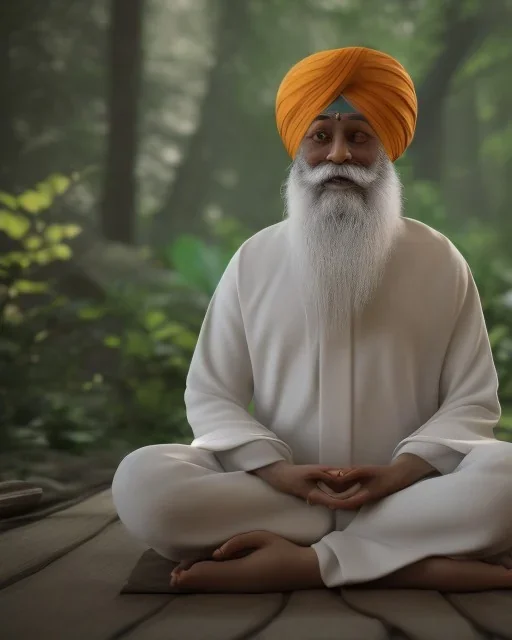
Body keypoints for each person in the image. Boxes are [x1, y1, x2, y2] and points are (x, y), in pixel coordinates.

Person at [112, 46, 512, 593]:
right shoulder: (254, 259)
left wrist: (399, 474)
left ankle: (304, 563)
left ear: (385, 150)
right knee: (143, 481)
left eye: (360, 137)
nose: (339, 154)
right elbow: (211, 396)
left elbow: (472, 400)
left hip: (406, 496)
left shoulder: (439, 259)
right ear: (299, 147)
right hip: (279, 501)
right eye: (321, 135)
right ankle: (402, 560)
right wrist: (280, 476)